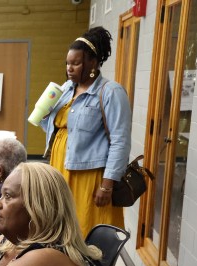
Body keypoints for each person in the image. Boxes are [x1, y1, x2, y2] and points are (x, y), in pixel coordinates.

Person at [40, 26, 131, 237]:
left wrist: (107, 186)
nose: (69, 68)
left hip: (89, 177)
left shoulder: (111, 92)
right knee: (60, 229)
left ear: (93, 62)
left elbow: (120, 142)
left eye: (76, 63)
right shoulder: (65, 89)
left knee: (86, 231)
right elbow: (54, 127)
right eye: (67, 63)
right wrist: (44, 114)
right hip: (60, 169)